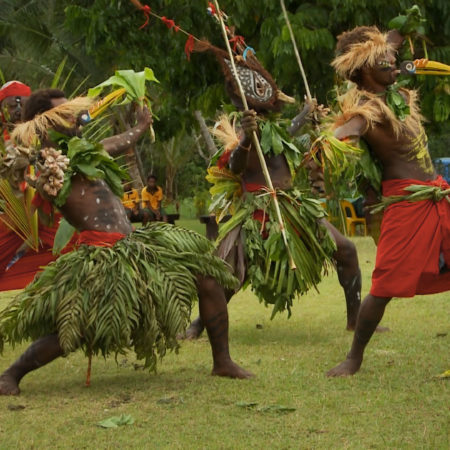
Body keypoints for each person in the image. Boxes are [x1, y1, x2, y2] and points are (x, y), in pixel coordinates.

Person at [0, 88, 251, 395]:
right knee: (75, 328)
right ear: (46, 122)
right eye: (66, 114)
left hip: (134, 245)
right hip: (102, 253)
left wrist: (142, 127)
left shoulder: (83, 153)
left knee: (208, 278)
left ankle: (222, 361)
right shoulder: (48, 163)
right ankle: (12, 374)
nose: (77, 118)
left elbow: (107, 146)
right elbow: (97, 153)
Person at [183, 41, 365, 338]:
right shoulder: (245, 133)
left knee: (345, 249)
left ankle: (355, 319)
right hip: (257, 212)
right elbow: (237, 166)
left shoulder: (272, 128)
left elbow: (285, 135)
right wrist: (245, 139)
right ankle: (198, 325)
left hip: (293, 206)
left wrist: (306, 116)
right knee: (230, 276)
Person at [326, 26, 450, 377]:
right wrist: (332, 144)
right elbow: (343, 131)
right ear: (365, 67)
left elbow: (393, 40)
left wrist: (398, 35)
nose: (394, 59)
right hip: (406, 206)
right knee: (383, 288)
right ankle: (354, 358)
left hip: (438, 194)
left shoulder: (398, 96)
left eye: (392, 55)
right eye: (385, 58)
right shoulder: (368, 111)